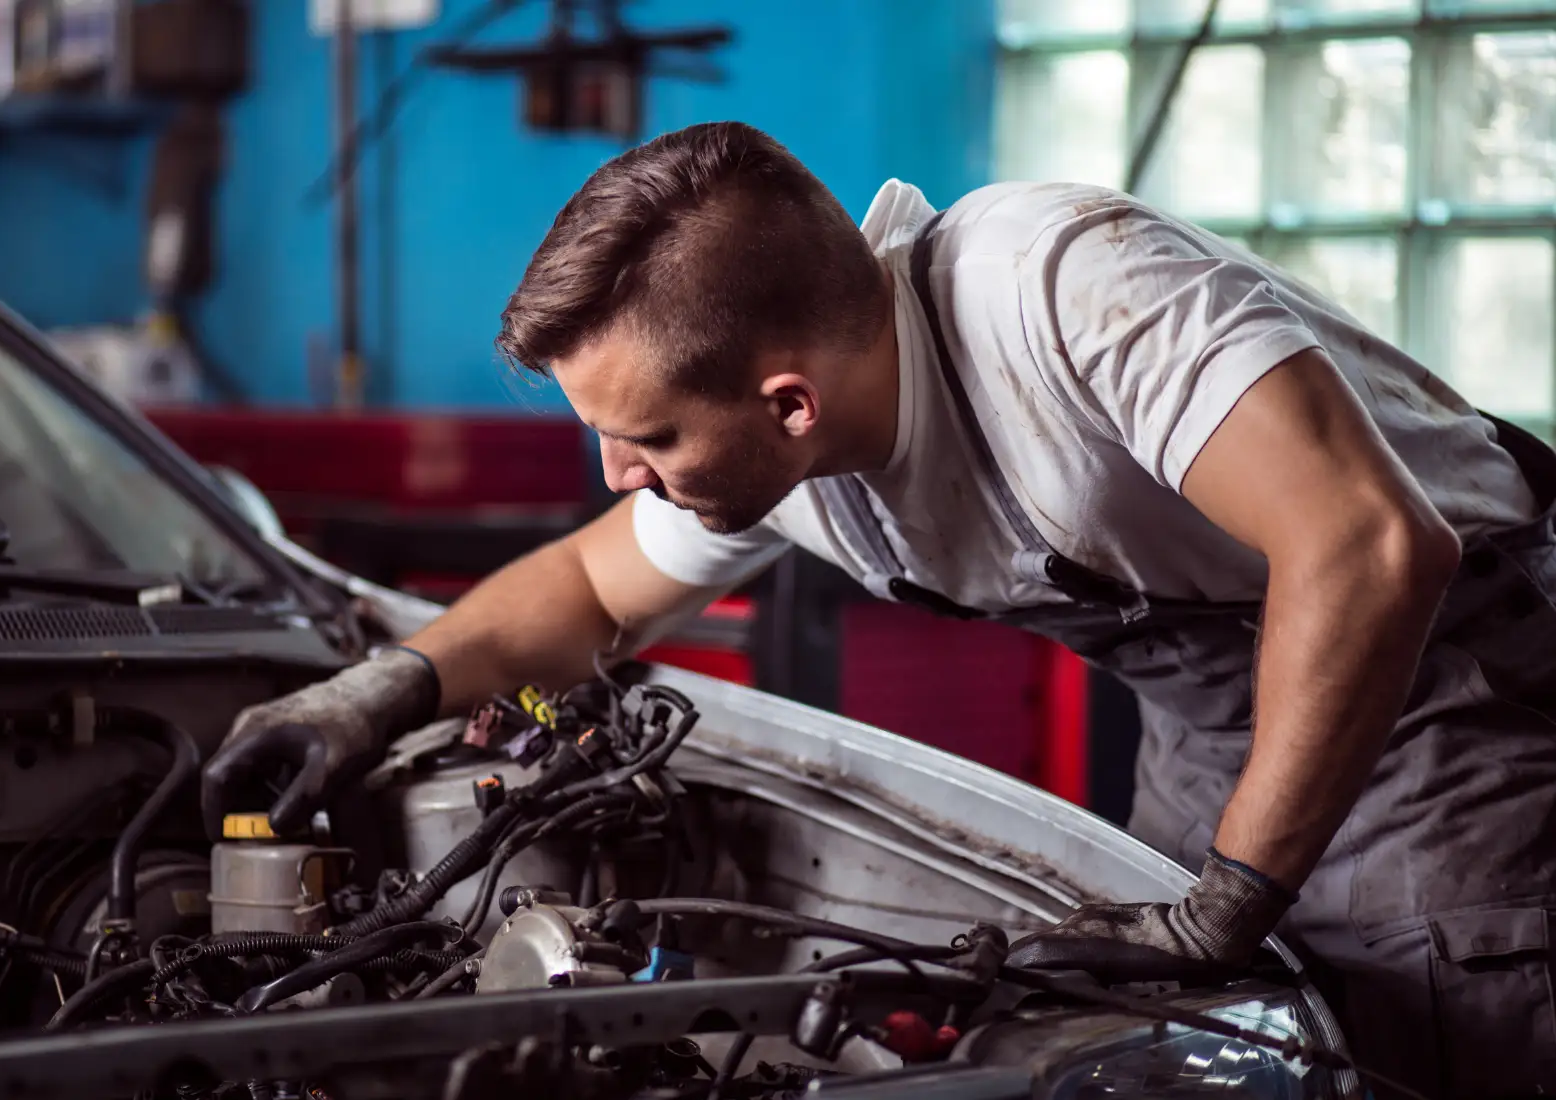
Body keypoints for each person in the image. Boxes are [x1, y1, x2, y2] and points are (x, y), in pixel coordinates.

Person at [202, 121, 1556, 1095]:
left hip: (1452, 683)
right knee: (1183, 1052)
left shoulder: (1068, 290)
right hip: (1218, 711)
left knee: (1420, 1035)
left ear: (786, 400)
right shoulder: (786, 446)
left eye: (647, 440)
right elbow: (579, 587)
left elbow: (1373, 545)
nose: (622, 479)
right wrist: (370, 693)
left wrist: (1228, 896)